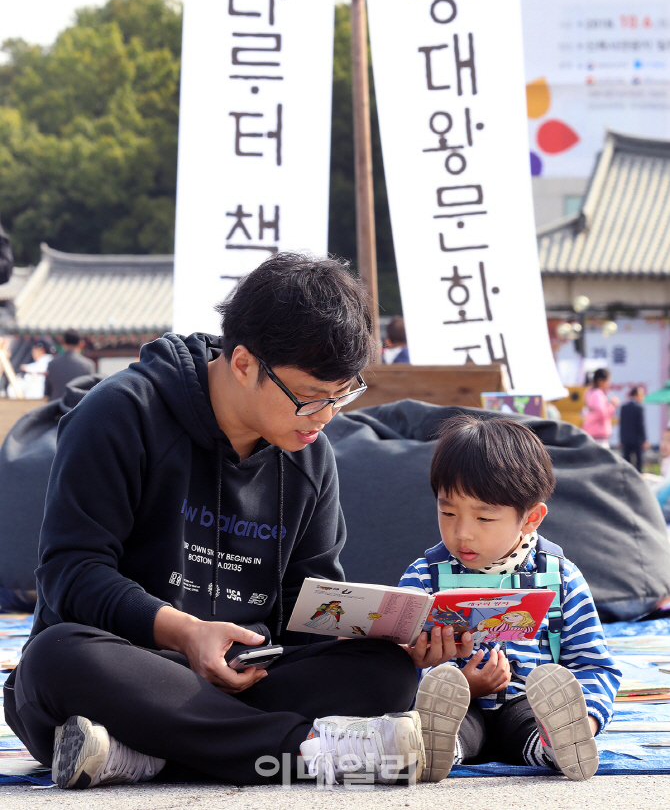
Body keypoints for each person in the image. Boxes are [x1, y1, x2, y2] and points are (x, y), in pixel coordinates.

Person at [4, 253, 473, 790]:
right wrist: (185, 634)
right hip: (129, 673)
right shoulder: (120, 413)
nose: (324, 416)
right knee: (52, 660)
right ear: (245, 363)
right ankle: (306, 752)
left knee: (384, 672)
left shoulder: (309, 453)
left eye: (343, 395)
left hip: (244, 680)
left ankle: (140, 756)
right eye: (311, 397)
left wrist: (398, 638)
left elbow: (306, 604)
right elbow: (73, 573)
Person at [398, 413, 620, 783]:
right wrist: (426, 667)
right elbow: (396, 663)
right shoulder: (424, 577)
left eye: (485, 519)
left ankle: (558, 744)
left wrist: (588, 718)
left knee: (532, 724)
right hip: (458, 705)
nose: (462, 533)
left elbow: (595, 664)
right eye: (447, 511)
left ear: (531, 518)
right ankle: (435, 748)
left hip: (528, 705)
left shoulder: (560, 578)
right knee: (453, 723)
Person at [44, 330, 96, 401]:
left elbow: (47, 392)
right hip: (78, 408)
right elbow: (91, 393)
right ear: (81, 344)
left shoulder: (52, 364)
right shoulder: (88, 365)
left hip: (57, 408)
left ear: (63, 342)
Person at [581, 368, 619, 447]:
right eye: (607, 381)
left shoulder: (591, 392)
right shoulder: (597, 394)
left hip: (594, 432)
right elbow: (601, 413)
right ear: (600, 381)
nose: (609, 384)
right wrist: (612, 405)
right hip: (597, 434)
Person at [619, 387, 648, 473]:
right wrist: (644, 440)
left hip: (626, 440)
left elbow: (622, 425)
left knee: (626, 462)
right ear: (636, 395)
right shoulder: (639, 408)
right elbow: (641, 426)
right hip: (637, 440)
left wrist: (622, 440)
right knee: (639, 462)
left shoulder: (624, 407)